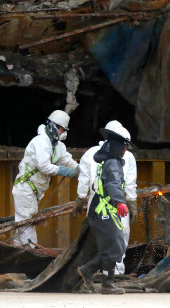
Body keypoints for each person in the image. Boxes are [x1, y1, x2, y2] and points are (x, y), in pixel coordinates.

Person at [72, 120, 137, 274]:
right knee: (119, 239)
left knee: (95, 239)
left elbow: (84, 179)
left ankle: (93, 272)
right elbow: (128, 185)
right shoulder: (126, 157)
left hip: (96, 203)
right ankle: (114, 274)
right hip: (116, 204)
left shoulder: (92, 153)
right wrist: (131, 204)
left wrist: (80, 200)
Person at [12, 110, 79, 247]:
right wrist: (64, 171)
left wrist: (79, 169)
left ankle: (17, 256)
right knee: (27, 225)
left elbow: (66, 159)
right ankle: (31, 255)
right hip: (26, 188)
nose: (63, 132)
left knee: (23, 228)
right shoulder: (40, 142)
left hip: (34, 191)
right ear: (54, 126)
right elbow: (44, 166)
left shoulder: (57, 146)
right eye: (62, 129)